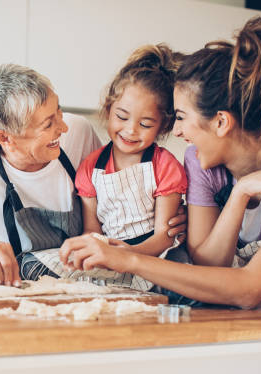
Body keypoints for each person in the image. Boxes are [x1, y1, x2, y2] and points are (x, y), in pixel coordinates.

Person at [60, 17, 261, 308]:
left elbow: (248, 289)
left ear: (220, 122)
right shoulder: (201, 161)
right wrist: (240, 194)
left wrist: (129, 259)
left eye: (180, 117)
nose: (176, 131)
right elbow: (209, 265)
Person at [0, 64, 187, 286]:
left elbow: (117, 200)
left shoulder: (78, 132)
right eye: (48, 124)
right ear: (4, 138)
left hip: (88, 288)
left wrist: (168, 220)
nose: (63, 126)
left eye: (58, 110)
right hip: (22, 299)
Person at [73, 44, 187, 291]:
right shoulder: (90, 168)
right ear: (108, 109)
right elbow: (92, 233)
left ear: (163, 126)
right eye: (122, 117)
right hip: (110, 257)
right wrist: (104, 254)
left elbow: (164, 236)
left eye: (145, 124)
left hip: (156, 258)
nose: (130, 130)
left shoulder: (165, 166)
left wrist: (130, 255)